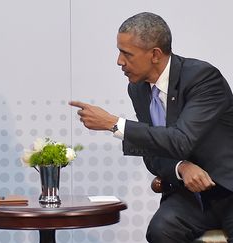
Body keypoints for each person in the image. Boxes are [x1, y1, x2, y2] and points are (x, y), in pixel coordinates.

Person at [70, 12, 233, 242]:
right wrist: (181, 167)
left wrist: (114, 124)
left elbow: (180, 139)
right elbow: (152, 149)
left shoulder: (202, 78)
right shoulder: (138, 88)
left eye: (126, 53)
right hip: (190, 195)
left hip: (229, 186)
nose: (119, 61)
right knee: (160, 231)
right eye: (119, 51)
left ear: (155, 54)